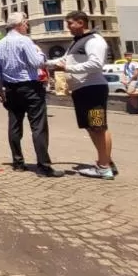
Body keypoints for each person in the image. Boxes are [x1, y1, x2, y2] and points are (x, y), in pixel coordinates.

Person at [47, 11, 117, 180]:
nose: (68, 27)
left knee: (98, 126)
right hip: (82, 90)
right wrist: (42, 62)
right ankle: (106, 161)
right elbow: (63, 61)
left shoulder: (94, 40)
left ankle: (104, 167)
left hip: (92, 89)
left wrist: (68, 69)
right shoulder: (77, 42)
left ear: (81, 22)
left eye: (70, 23)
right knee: (92, 126)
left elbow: (96, 64)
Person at [0, 12, 62, 177]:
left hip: (11, 89)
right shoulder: (25, 41)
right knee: (38, 126)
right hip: (30, 87)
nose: (27, 26)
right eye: (26, 23)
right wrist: (44, 55)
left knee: (14, 126)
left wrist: (1, 91)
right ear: (20, 24)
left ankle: (18, 162)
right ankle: (44, 166)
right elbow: (37, 62)